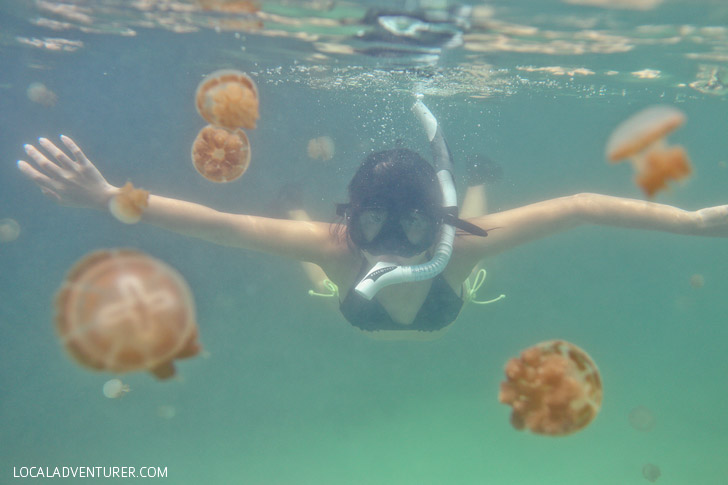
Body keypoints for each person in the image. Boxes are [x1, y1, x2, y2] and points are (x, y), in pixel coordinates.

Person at [16, 101, 728, 341]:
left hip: (453, 253)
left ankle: (468, 189)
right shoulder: (336, 247)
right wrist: (110, 194)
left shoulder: (444, 246)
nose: (392, 243)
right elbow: (219, 222)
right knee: (312, 266)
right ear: (353, 219)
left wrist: (697, 222)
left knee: (472, 239)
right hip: (357, 272)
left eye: (413, 229)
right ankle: (297, 203)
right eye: (376, 224)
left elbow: (577, 205)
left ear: (429, 224)